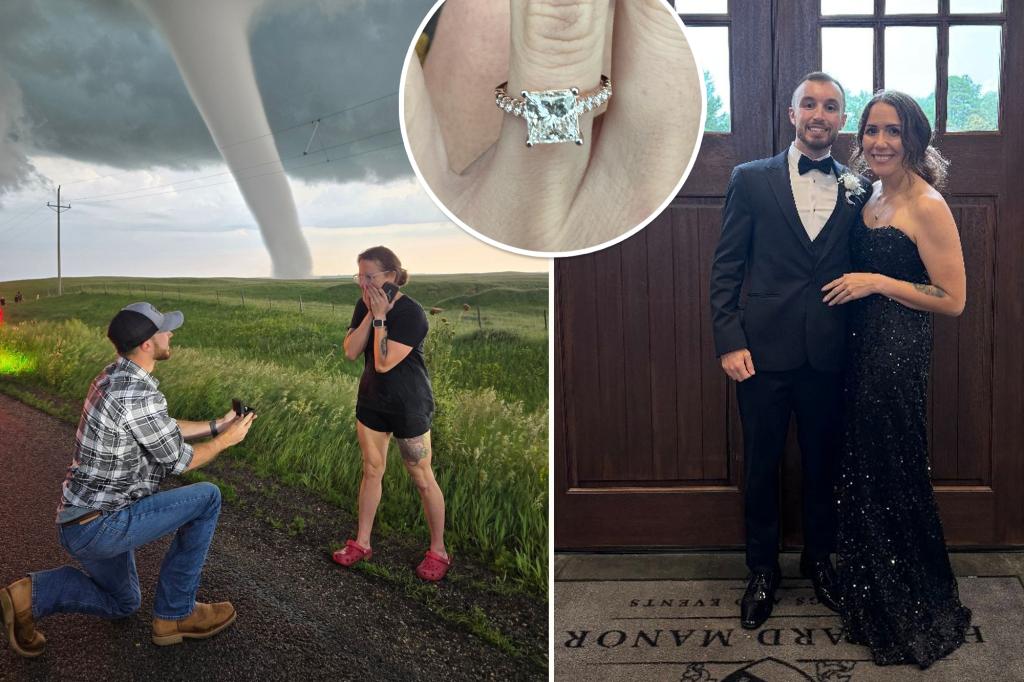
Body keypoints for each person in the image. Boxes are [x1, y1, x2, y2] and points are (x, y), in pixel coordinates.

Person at [709, 72, 872, 630]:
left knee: (824, 465)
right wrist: (729, 340)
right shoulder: (751, 180)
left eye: (830, 106)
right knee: (761, 466)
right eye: (810, 104)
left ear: (842, 120)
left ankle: (821, 562)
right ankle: (761, 571)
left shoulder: (858, 187)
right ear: (792, 113)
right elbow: (727, 266)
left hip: (831, 352)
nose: (819, 114)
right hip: (760, 353)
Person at [0, 302, 255, 657]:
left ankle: (29, 596)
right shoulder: (137, 394)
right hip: (101, 526)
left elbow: (159, 428)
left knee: (123, 603)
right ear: (148, 344)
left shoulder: (114, 376)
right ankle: (176, 614)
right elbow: (181, 460)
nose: (171, 334)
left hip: (78, 520)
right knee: (207, 497)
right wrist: (228, 440)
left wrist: (216, 425)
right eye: (165, 329)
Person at [822, 90, 971, 668]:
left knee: (893, 467)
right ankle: (871, 593)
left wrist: (878, 282)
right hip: (857, 349)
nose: (879, 142)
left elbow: (954, 299)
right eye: (870, 131)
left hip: (896, 355)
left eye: (892, 132)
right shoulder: (872, 192)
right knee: (863, 466)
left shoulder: (928, 205)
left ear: (914, 138)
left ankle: (910, 600)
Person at [331, 247, 450, 581]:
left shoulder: (412, 314)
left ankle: (438, 550)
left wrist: (382, 317)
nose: (363, 284)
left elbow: (384, 362)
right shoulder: (363, 305)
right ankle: (362, 542)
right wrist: (370, 312)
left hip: (409, 407)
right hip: (372, 404)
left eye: (370, 277)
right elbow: (352, 351)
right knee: (371, 470)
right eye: (360, 277)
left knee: (422, 477)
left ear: (392, 276)